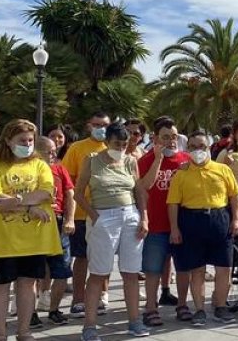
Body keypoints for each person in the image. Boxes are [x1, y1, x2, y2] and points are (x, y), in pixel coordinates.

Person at [0, 119, 63, 341]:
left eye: (30, 140)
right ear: (8, 140)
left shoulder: (39, 164)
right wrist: (29, 206)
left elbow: (46, 191)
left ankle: (24, 331)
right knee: (1, 285)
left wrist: (19, 201)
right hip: (1, 240)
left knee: (27, 283)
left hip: (33, 239)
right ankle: (0, 334)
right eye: (21, 140)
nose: (27, 144)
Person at [75, 122, 148, 340]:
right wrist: (95, 216)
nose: (121, 148)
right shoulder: (91, 160)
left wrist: (144, 217)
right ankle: (89, 327)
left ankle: (135, 321)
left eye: (125, 144)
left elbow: (139, 192)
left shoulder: (130, 161)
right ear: (107, 142)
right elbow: (78, 193)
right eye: (117, 143)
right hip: (103, 216)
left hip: (130, 215)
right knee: (98, 273)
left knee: (131, 272)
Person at [167, 131, 238, 326]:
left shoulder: (223, 169)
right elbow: (173, 203)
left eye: (201, 146)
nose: (197, 150)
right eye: (192, 147)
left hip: (219, 220)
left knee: (224, 268)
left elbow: (234, 196)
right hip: (191, 221)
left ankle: (220, 306)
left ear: (209, 148)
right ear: (187, 149)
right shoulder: (181, 174)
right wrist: (174, 228)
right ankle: (199, 309)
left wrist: (236, 220)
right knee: (197, 270)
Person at [137, 117, 190, 326]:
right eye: (166, 137)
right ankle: (150, 308)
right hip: (156, 225)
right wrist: (158, 159)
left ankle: (183, 305)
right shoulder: (145, 160)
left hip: (182, 225)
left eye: (174, 137)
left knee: (183, 267)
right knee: (152, 269)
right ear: (156, 139)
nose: (171, 141)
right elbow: (144, 187)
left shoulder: (186, 160)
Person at [63, 112, 111, 318]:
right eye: (97, 124)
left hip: (108, 212)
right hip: (83, 213)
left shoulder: (113, 148)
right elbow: (68, 181)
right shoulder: (77, 148)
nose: (101, 128)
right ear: (88, 125)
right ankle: (78, 300)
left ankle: (100, 296)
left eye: (105, 125)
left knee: (104, 257)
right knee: (81, 258)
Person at [35, 136, 74, 325]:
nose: (52, 155)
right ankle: (30, 312)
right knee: (32, 270)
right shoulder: (28, 170)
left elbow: (70, 194)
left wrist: (70, 219)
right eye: (48, 151)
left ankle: (54, 309)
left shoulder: (59, 168)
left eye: (54, 151)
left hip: (57, 222)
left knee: (62, 270)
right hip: (34, 223)